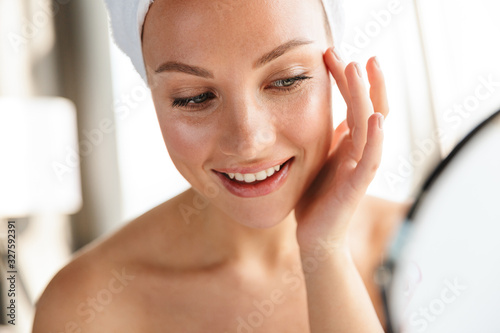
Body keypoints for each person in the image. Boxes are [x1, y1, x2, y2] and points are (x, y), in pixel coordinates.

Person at [33, 0, 408, 331]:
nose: (248, 141)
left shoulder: (431, 241)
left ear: (338, 74)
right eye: (194, 98)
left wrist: (324, 253)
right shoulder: (85, 308)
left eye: (286, 80)